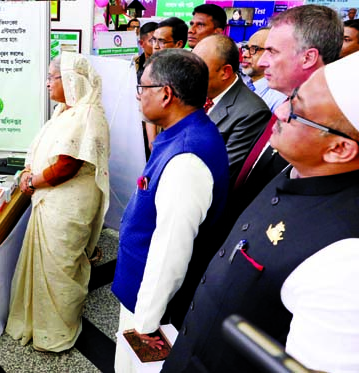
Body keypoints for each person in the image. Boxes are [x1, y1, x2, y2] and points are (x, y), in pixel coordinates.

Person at [162, 51, 359, 373]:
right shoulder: (296, 168)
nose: (280, 110)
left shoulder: (347, 255)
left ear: (339, 149)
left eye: (298, 110)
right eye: (292, 97)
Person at [112, 49, 229, 372]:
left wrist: (147, 322)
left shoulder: (187, 157)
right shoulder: (182, 133)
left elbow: (171, 250)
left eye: (143, 88)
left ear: (165, 94)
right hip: (142, 288)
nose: (138, 97)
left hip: (155, 306)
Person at [5, 52, 110, 352]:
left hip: (67, 206)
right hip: (51, 199)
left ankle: (57, 332)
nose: (48, 84)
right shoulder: (65, 110)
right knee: (50, 265)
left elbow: (67, 165)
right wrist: (28, 171)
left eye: (53, 78)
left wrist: (31, 181)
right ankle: (40, 323)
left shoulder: (87, 114)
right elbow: (43, 148)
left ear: (70, 80)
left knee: (60, 266)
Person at [233, 5, 343, 207]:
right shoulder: (286, 104)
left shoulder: (323, 128)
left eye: (272, 52)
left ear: (308, 57)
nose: (263, 61)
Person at [193, 34, 271, 185]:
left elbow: (223, 172)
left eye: (198, 68)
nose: (189, 74)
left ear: (225, 72)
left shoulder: (252, 112)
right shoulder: (197, 94)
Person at [240, 28, 287, 112]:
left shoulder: (280, 99)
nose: (245, 55)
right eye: (246, 48)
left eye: (254, 49)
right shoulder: (242, 85)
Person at [134, 22, 159, 160]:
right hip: (133, 124)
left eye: (159, 40)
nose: (156, 45)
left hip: (156, 128)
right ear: (141, 43)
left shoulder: (164, 67)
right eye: (152, 40)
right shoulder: (132, 64)